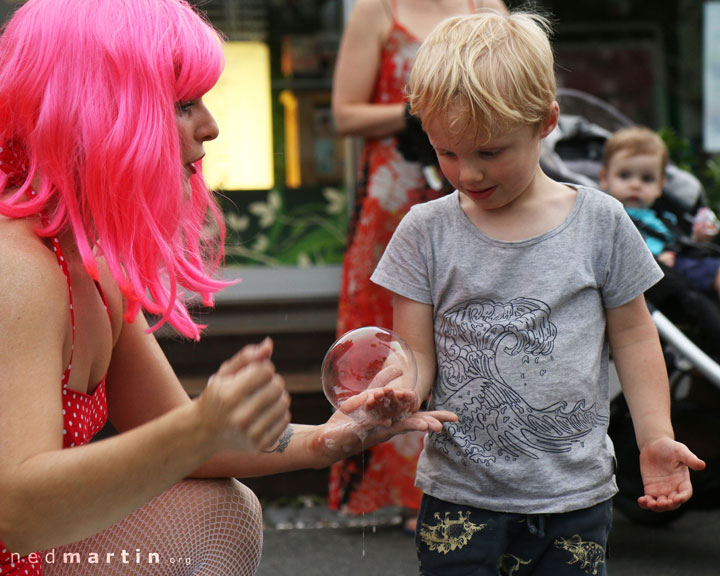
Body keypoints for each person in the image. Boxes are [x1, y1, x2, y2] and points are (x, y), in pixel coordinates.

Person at [0, 1, 457, 575]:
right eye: (183, 104)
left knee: (223, 507)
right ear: (95, 113)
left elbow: (186, 441)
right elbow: (14, 511)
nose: (211, 126)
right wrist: (198, 429)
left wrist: (331, 437)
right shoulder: (17, 268)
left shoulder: (90, 267)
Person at [370, 10, 706, 575]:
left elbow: (634, 336)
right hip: (460, 495)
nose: (467, 173)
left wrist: (654, 437)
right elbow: (417, 352)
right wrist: (402, 389)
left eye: (489, 152)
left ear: (545, 122)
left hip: (575, 496)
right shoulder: (423, 232)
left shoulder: (600, 222)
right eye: (446, 152)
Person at [329, 0, 507, 534]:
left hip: (477, 177)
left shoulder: (488, 7)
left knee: (472, 318)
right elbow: (344, 114)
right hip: (398, 191)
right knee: (393, 325)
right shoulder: (376, 10)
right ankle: (413, 490)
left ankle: (486, 474)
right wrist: (422, 113)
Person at [600, 126, 720, 299]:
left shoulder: (664, 217)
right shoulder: (608, 219)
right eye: (625, 175)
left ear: (660, 186)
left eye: (647, 179)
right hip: (659, 276)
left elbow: (680, 241)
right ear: (605, 178)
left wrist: (699, 238)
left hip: (681, 266)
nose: (635, 185)